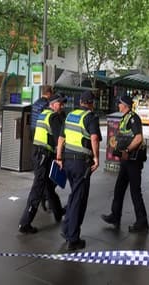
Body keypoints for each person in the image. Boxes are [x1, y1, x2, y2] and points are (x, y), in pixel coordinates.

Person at [56, 91, 102, 251]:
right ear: (90, 103)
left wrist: (59, 157)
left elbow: (61, 138)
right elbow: (94, 138)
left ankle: (67, 229)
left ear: (80, 101)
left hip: (67, 161)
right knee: (79, 199)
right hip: (81, 164)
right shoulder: (90, 117)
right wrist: (96, 158)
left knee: (75, 195)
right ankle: (73, 238)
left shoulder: (70, 116)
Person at [19, 93, 67, 234]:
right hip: (44, 156)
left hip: (38, 153)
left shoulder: (43, 114)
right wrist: (60, 157)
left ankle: (58, 212)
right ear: (52, 104)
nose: (62, 106)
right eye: (60, 103)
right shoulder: (53, 117)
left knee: (48, 185)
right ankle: (25, 223)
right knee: (39, 188)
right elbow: (60, 138)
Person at [101, 95, 149, 233]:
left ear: (125, 105)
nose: (118, 106)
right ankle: (115, 216)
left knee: (135, 191)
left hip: (133, 160)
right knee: (119, 189)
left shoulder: (133, 118)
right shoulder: (125, 117)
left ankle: (142, 222)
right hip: (126, 160)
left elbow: (138, 138)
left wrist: (127, 150)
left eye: (120, 104)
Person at [30, 85, 53, 212]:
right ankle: (45, 198)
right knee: (44, 173)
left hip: (35, 137)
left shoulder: (36, 103)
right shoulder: (46, 105)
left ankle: (45, 198)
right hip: (44, 139)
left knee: (39, 170)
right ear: (49, 93)